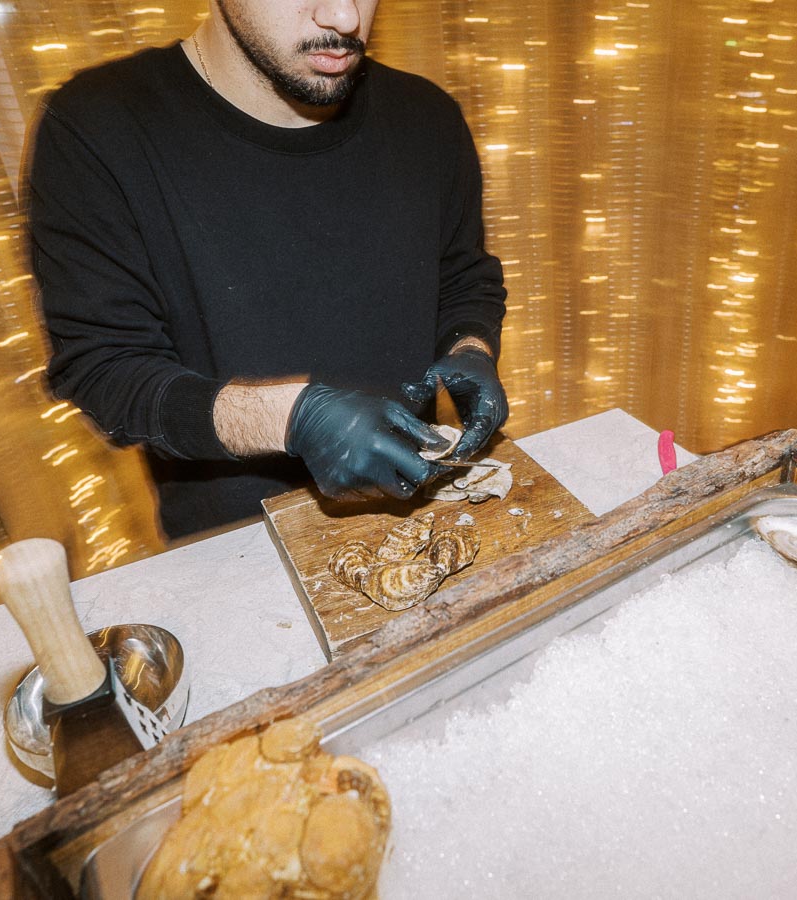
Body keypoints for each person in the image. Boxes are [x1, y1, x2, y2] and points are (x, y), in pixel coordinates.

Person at [26, 0, 508, 540]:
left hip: (431, 515)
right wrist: (290, 417)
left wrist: (471, 349)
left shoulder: (429, 116)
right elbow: (105, 371)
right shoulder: (98, 125)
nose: (346, 19)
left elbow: (465, 275)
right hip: (240, 552)